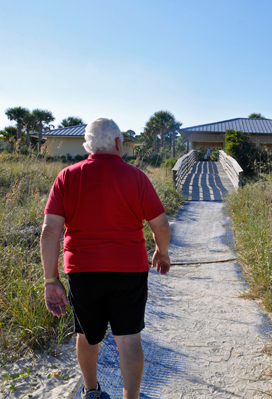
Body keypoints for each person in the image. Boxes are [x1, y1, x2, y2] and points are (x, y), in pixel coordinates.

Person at [41, 117, 171, 399]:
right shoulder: (136, 177)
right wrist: (162, 252)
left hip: (83, 271)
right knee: (128, 337)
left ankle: (91, 390)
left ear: (88, 144)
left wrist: (51, 279)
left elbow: (50, 230)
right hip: (128, 270)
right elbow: (160, 224)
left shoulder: (67, 176)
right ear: (117, 143)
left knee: (88, 333)